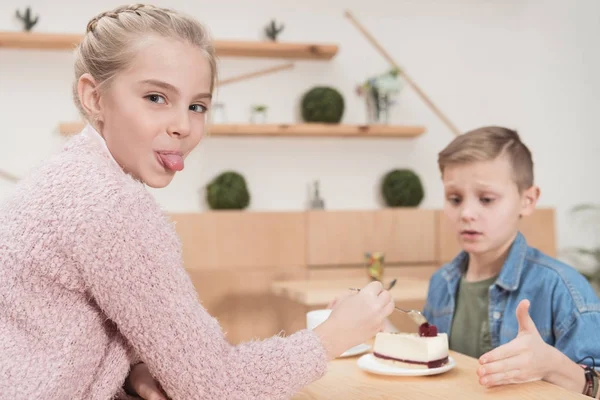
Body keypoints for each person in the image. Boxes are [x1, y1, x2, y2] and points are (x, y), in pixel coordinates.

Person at [0, 4, 395, 399]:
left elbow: (48, 337)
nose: (183, 126)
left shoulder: (64, 179)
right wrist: (336, 333)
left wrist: (132, 370)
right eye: (156, 97)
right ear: (94, 96)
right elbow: (214, 386)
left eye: (197, 106)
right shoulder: (109, 204)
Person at [424, 126, 600, 397]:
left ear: (527, 200)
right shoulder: (441, 283)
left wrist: (553, 366)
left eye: (486, 199)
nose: (467, 213)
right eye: (455, 198)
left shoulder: (562, 287)